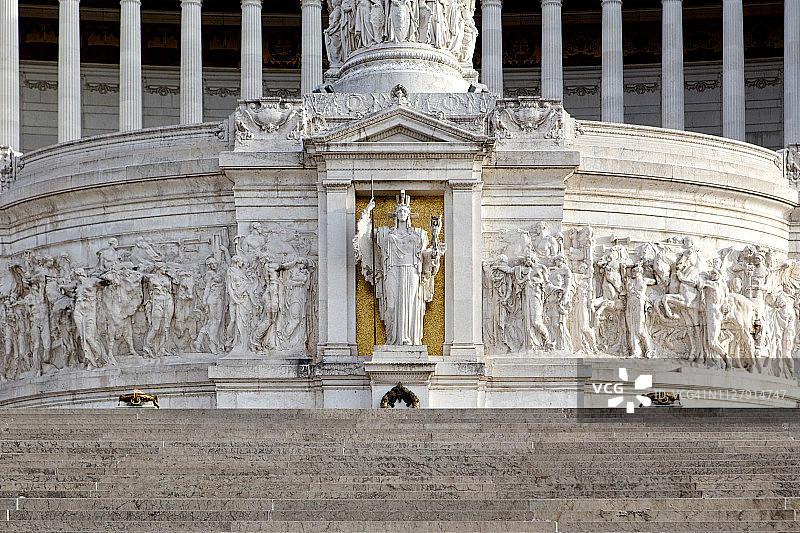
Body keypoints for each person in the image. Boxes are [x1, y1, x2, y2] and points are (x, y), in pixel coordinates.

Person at [354, 191, 445, 346]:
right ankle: (392, 338)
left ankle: (409, 338)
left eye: (404, 211)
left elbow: (426, 255)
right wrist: (366, 214)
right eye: (400, 211)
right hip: (392, 270)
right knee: (391, 304)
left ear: (409, 215)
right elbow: (366, 236)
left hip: (412, 271)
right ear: (395, 214)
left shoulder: (419, 234)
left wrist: (435, 238)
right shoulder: (384, 233)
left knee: (410, 304)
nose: (402, 213)